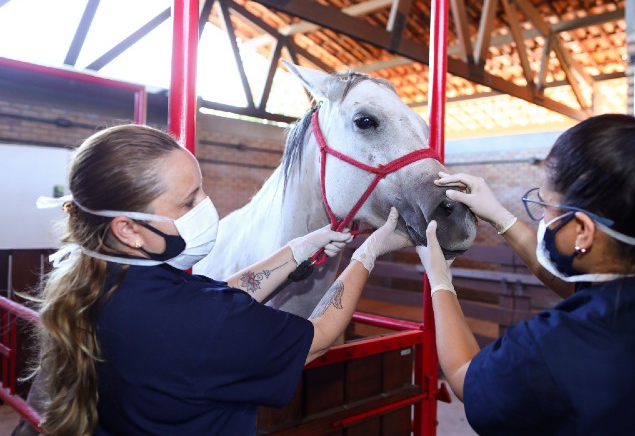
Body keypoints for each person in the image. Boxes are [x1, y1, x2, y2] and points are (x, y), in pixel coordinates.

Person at [25, 124, 410, 436]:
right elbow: (320, 336)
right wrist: (366, 255)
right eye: (189, 202)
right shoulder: (201, 322)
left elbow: (221, 295)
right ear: (128, 229)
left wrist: (296, 250)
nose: (205, 206)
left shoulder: (104, 280)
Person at [415, 114, 635, 436]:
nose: (542, 216)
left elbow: (464, 376)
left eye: (545, 206)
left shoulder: (551, 347)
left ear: (584, 231)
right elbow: (583, 292)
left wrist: (440, 279)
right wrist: (500, 217)